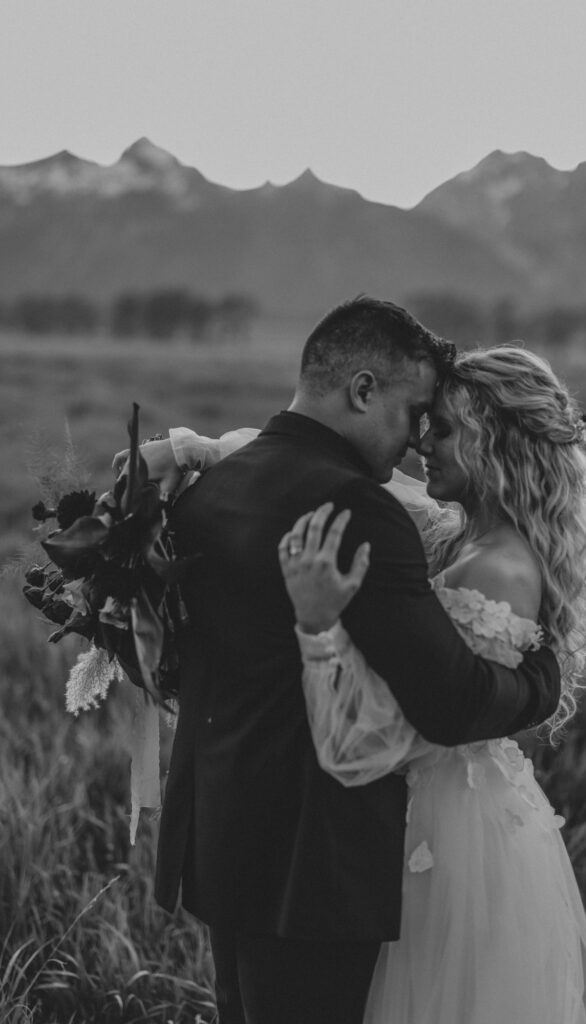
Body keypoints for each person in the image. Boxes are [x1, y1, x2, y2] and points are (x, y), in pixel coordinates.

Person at [123, 299, 561, 1024]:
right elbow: (449, 705)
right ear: (362, 390)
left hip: (224, 839)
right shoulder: (356, 510)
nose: (417, 439)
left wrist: (190, 446)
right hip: (314, 870)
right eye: (416, 411)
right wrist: (540, 680)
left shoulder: (208, 489)